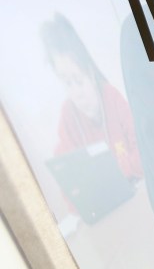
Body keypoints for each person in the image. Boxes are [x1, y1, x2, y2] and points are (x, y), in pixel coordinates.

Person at [41, 13, 142, 181]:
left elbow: (144, 153)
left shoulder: (112, 97)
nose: (76, 93)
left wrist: (110, 173)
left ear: (91, 75)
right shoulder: (67, 115)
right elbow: (66, 178)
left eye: (78, 81)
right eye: (67, 83)